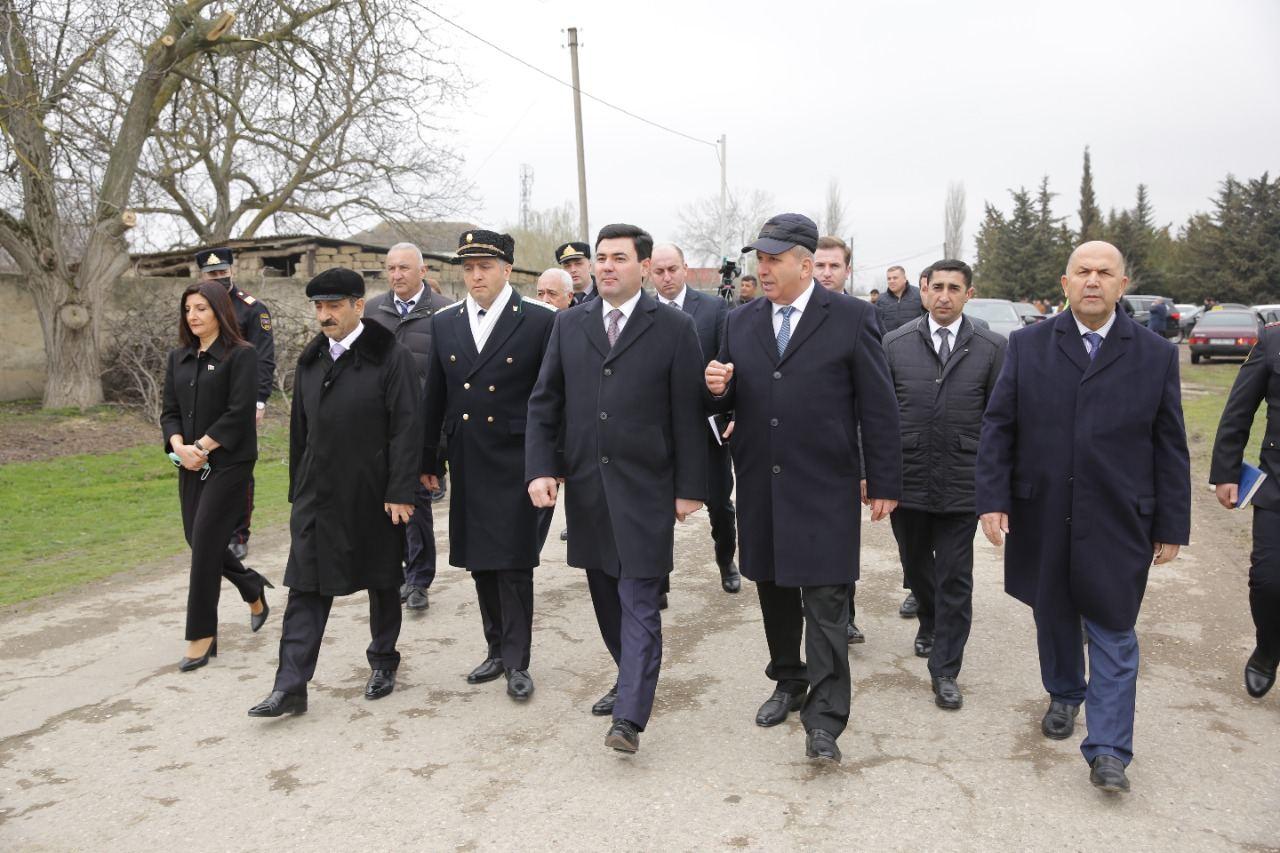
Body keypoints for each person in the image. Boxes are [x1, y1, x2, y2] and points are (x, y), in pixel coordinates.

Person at [975, 240, 1190, 793]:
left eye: (1104, 272)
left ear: (1122, 285)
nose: (1093, 280)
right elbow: (1000, 426)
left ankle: (1110, 749)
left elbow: (1169, 445)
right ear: (1065, 283)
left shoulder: (1154, 354)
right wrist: (992, 499)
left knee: (1114, 627)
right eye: (1083, 271)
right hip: (1042, 510)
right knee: (1054, 611)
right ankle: (1066, 692)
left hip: (1120, 518)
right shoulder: (1028, 346)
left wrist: (1172, 523)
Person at [706, 213, 901, 765]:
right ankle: (788, 681)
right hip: (761, 484)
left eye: (774, 260)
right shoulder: (739, 321)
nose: (763, 270)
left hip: (824, 485)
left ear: (806, 264)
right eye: (760, 260)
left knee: (826, 601)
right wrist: (717, 390)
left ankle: (826, 720)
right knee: (772, 590)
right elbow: (731, 402)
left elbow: (878, 405)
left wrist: (884, 478)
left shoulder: (852, 317)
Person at [527, 223, 707, 754]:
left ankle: (629, 715)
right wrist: (540, 469)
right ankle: (631, 674)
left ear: (644, 267)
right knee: (606, 596)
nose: (606, 266)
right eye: (602, 257)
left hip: (647, 487)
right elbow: (545, 402)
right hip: (588, 487)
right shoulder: (569, 324)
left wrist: (690, 487)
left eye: (619, 258)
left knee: (640, 598)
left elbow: (689, 414)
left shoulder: (673, 328)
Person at [248, 268, 422, 718]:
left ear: (358, 306)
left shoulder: (392, 356)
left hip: (373, 493)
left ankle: (383, 661)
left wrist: (400, 490)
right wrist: (298, 491)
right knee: (305, 586)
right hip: (318, 496)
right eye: (319, 307)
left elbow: (407, 427)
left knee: (382, 581)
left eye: (334, 306)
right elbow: (299, 434)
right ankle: (290, 686)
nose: (325, 315)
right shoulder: (310, 361)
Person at [422, 230, 556, 701]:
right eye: (469, 268)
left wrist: (552, 462)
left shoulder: (539, 320)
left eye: (485, 266)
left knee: (514, 561)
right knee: (480, 559)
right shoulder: (445, 322)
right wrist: (429, 459)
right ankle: (496, 648)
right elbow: (434, 396)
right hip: (469, 455)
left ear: (507, 270)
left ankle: (518, 661)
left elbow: (552, 397)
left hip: (518, 458)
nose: (476, 276)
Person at [883, 259, 1005, 709]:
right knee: (916, 567)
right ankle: (930, 620)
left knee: (955, 575)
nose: (944, 296)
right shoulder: (895, 343)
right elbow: (876, 415)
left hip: (962, 481)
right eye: (937, 287)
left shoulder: (992, 348)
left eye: (955, 288)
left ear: (968, 294)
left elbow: (1001, 420)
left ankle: (946, 669)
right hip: (908, 478)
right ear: (924, 290)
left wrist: (997, 486)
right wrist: (870, 472)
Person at [161, 282, 272, 672]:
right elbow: (169, 412)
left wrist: (201, 447)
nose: (193, 316)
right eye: (188, 309)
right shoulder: (178, 357)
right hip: (190, 461)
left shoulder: (241, 355)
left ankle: (201, 635)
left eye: (201, 309)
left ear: (219, 312)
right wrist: (179, 446)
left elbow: (239, 413)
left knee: (206, 541)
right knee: (198, 539)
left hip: (229, 462)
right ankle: (250, 586)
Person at [364, 243, 454, 612]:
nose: (397, 275)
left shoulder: (446, 311)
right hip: (378, 430)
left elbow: (450, 380)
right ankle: (397, 573)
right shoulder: (372, 311)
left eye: (404, 268)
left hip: (420, 429)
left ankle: (419, 579)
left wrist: (440, 445)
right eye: (391, 268)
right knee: (383, 507)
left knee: (416, 508)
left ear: (422, 270)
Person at [651, 242, 740, 596]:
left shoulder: (714, 309)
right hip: (657, 430)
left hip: (705, 426)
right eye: (659, 271)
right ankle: (658, 578)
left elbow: (729, 363)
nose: (667, 277)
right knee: (658, 507)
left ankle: (726, 561)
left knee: (719, 502)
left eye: (672, 269)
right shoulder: (641, 312)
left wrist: (729, 407)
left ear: (685, 269)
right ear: (648, 273)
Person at [1209, 316, 1280, 699]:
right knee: (1268, 581)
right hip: (1278, 487)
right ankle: (1268, 647)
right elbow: (1239, 410)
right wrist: (1226, 472)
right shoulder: (1273, 340)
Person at [194, 247, 276, 561]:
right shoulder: (197, 309)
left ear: (232, 271)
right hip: (205, 400)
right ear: (202, 276)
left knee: (238, 469)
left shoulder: (252, 309)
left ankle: (238, 535)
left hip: (240, 401)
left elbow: (264, 358)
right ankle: (209, 529)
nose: (218, 278)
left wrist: (259, 400)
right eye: (211, 274)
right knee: (202, 463)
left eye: (222, 272)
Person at [874, 264, 926, 334]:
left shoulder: (919, 294)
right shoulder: (881, 299)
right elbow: (876, 323)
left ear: (904, 279)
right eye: (889, 279)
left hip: (914, 339)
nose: (891, 281)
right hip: (889, 340)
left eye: (895, 278)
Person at [556, 241, 598, 306]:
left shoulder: (605, 294)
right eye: (567, 266)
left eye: (578, 264)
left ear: (590, 266)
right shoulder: (557, 299)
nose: (573, 270)